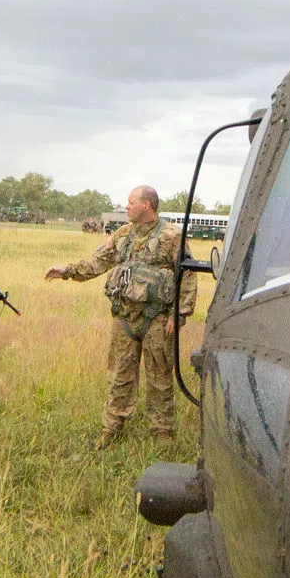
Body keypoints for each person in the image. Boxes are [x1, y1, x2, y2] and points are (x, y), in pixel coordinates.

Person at [46, 184, 191, 447]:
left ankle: (162, 433)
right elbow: (96, 262)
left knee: (159, 376)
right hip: (123, 318)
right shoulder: (122, 235)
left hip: (157, 319)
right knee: (119, 375)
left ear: (146, 205)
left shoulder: (172, 236)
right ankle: (112, 429)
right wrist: (66, 270)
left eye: (130, 202)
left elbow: (187, 273)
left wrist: (179, 313)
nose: (126, 207)